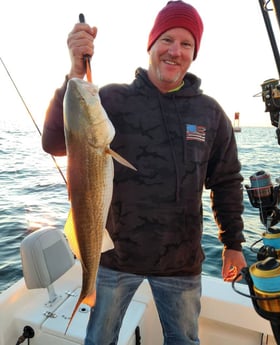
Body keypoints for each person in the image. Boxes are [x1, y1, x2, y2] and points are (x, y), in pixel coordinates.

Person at [42, 1, 247, 344]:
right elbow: (54, 142)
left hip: (180, 261)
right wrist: (74, 73)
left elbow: (226, 182)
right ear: (151, 44)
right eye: (167, 39)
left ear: (194, 53)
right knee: (100, 339)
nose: (175, 51)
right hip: (115, 257)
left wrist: (233, 244)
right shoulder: (110, 98)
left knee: (183, 340)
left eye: (186, 44)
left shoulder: (210, 113)